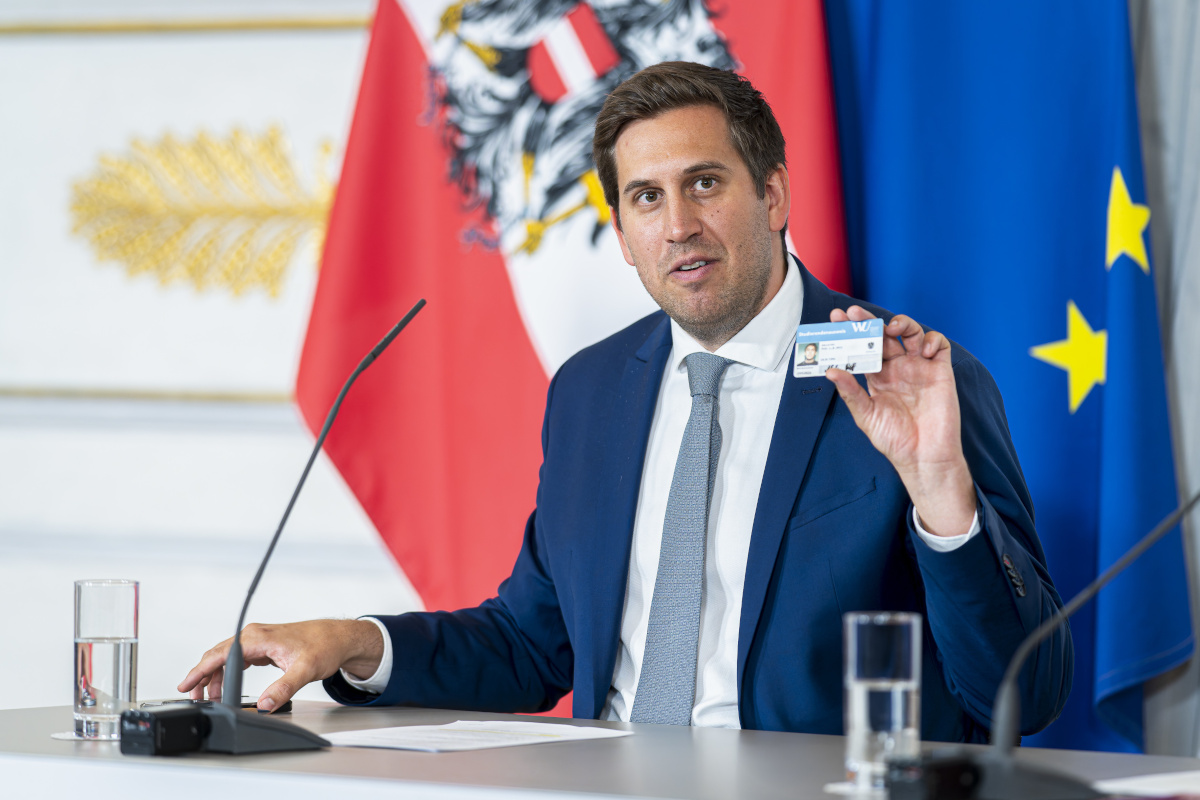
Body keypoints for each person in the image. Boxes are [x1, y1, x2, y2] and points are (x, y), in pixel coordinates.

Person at [180, 62, 1071, 742]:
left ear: (772, 195)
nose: (678, 224)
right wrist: (353, 641)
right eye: (647, 197)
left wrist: (940, 494)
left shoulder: (902, 379)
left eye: (705, 183)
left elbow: (1022, 695)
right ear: (623, 234)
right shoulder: (591, 391)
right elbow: (533, 645)